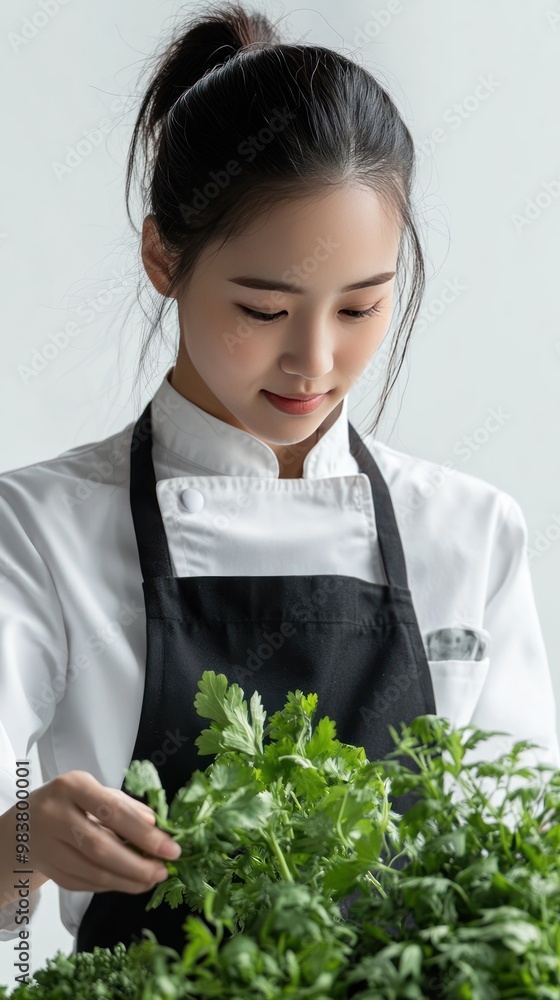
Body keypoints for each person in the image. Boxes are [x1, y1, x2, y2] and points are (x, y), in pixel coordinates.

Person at [0, 0, 558, 958]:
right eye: (263, 308)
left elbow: (528, 879)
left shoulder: (469, 534)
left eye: (360, 308)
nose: (313, 360)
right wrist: (19, 843)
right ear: (162, 258)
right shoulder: (39, 529)